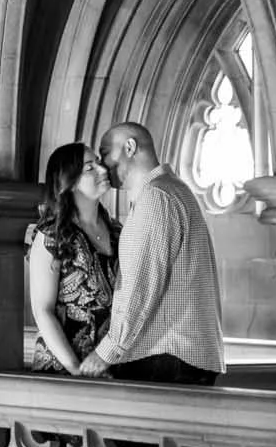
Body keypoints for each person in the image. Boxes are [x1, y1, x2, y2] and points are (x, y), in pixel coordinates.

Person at [79, 120, 225, 385]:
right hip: (179, 355)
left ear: (130, 147)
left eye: (105, 153)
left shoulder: (156, 197)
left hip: (168, 355)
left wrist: (108, 352)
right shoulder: (170, 190)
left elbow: (142, 285)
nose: (102, 165)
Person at [23, 141, 119, 375]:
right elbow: (42, 311)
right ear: (70, 182)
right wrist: (75, 369)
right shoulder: (52, 236)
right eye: (90, 168)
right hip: (62, 369)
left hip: (108, 368)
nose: (103, 170)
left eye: (98, 163)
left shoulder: (117, 232)